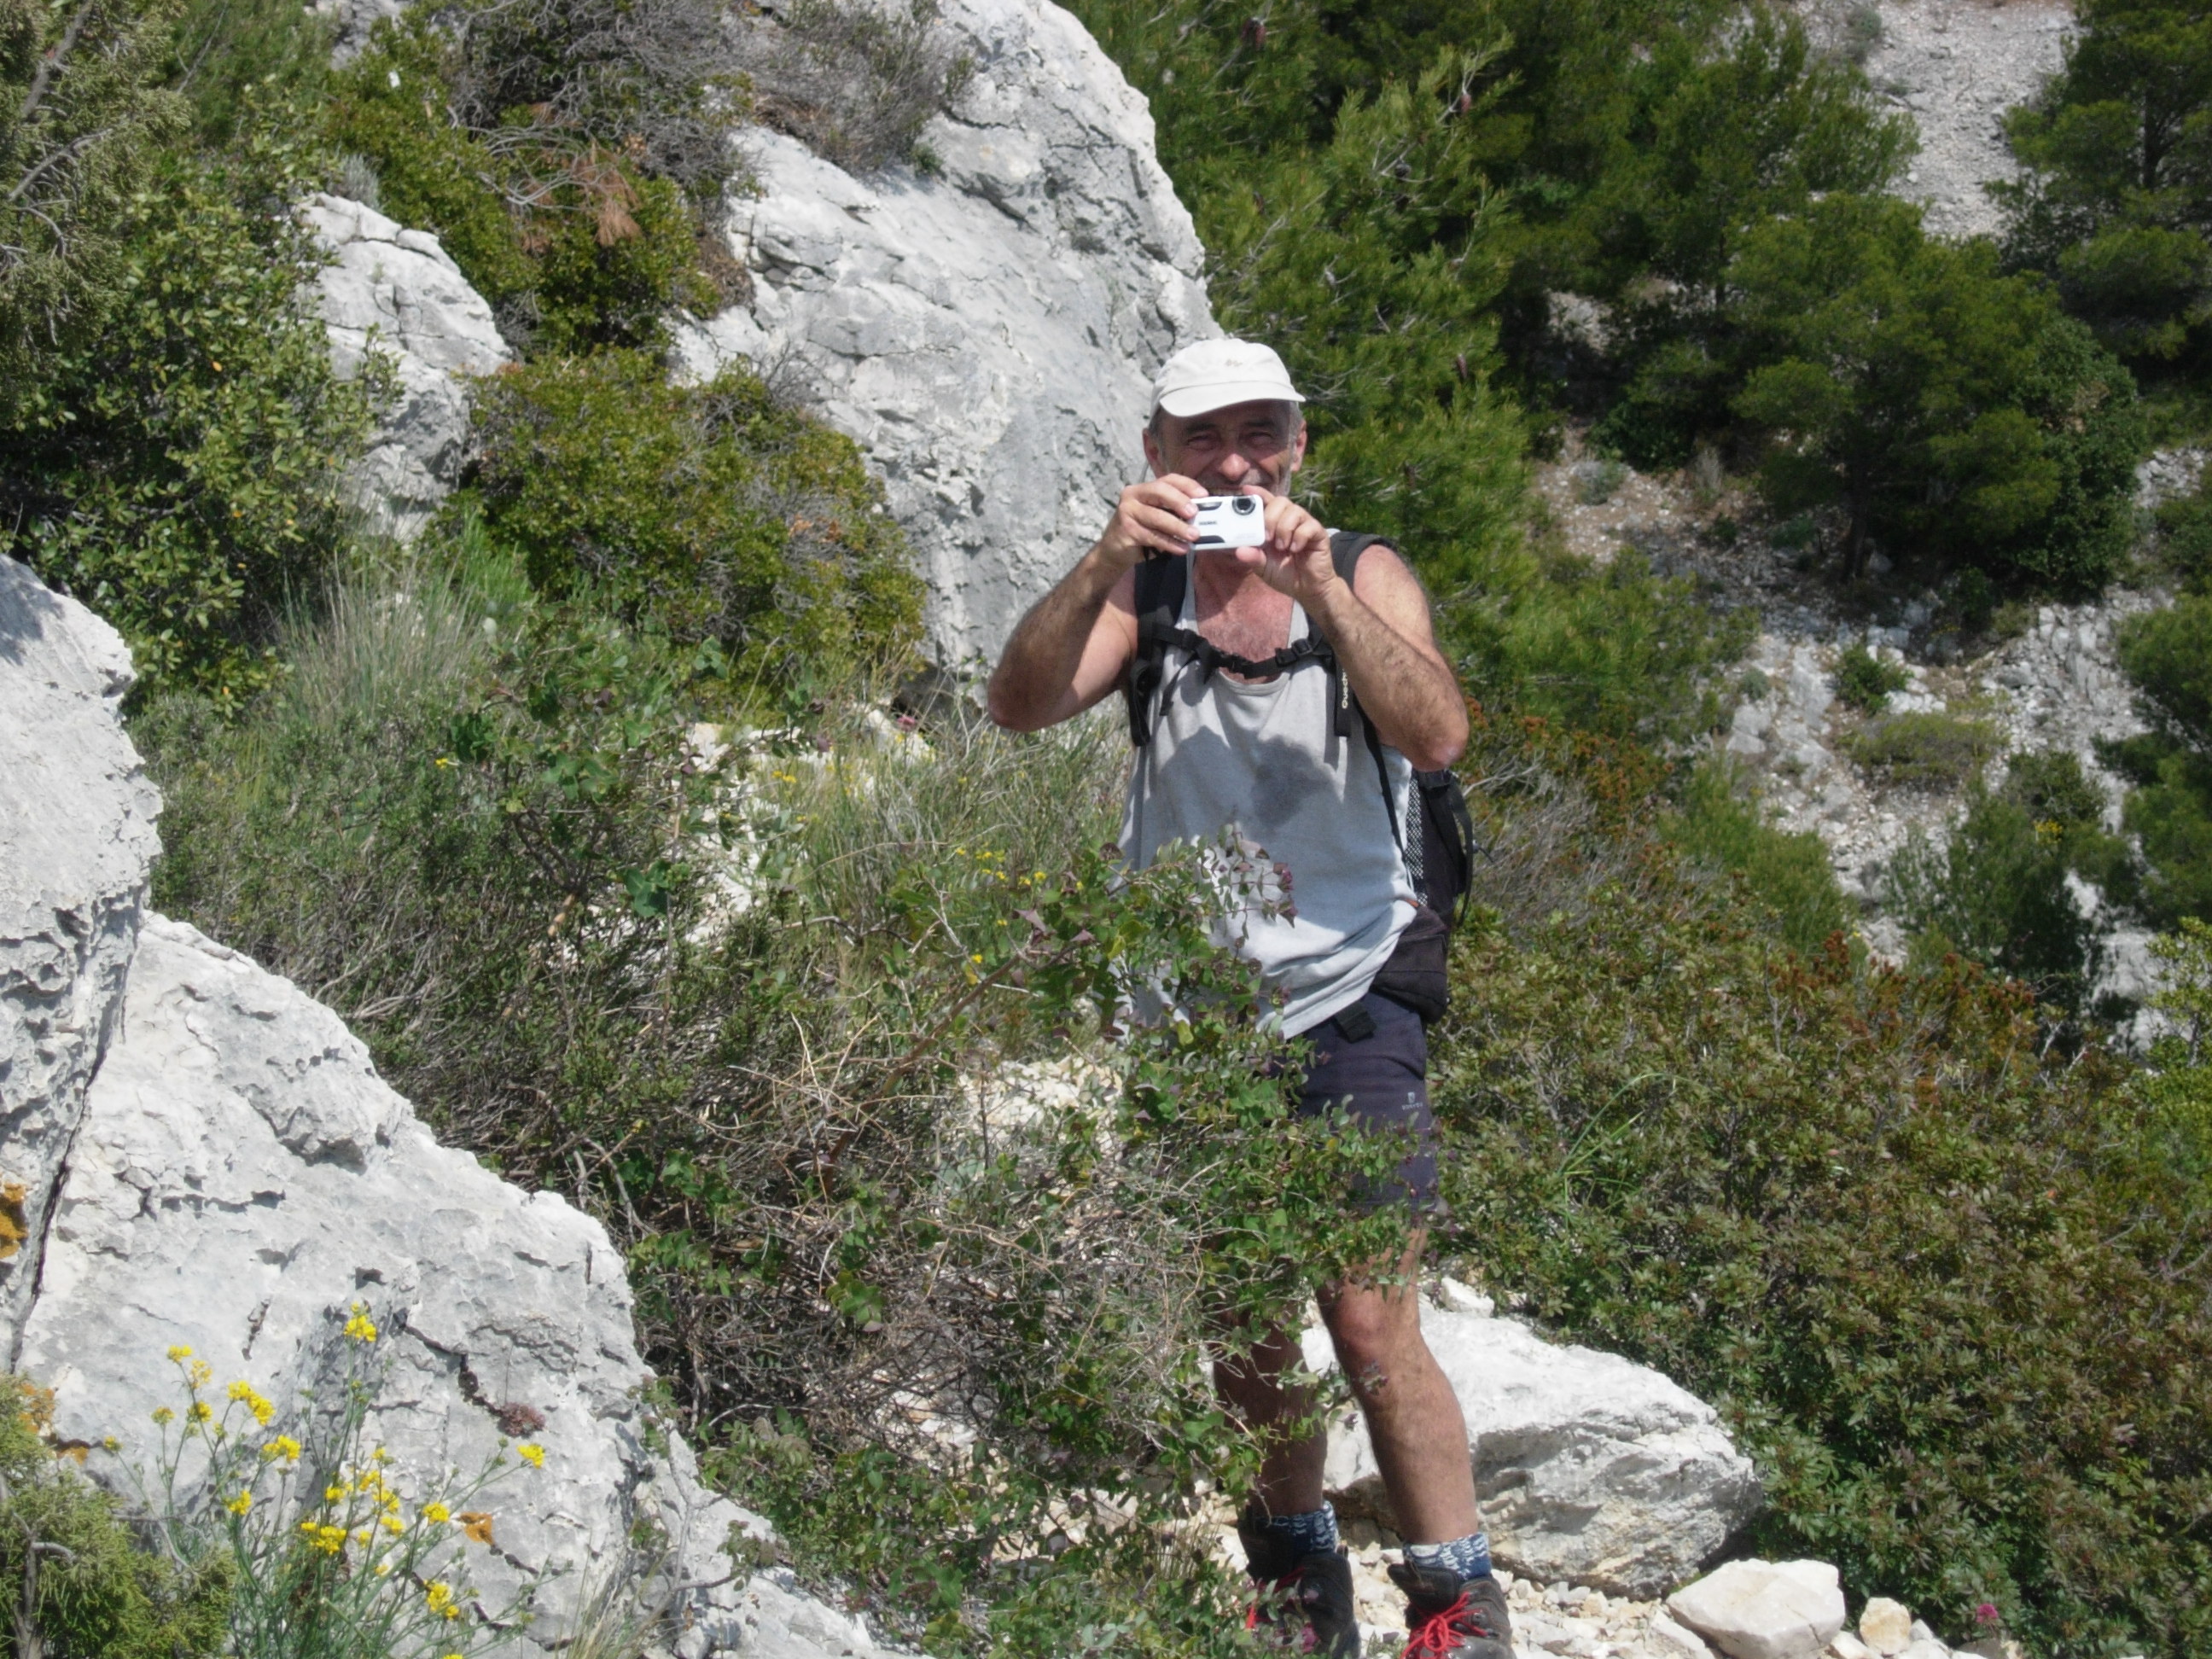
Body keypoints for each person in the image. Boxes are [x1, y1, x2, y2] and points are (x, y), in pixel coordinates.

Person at [984, 339, 1512, 1659]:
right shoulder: (1145, 586)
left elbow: (1437, 732)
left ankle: (1458, 1605)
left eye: (1260, 434)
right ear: (1157, 451)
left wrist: (1318, 587)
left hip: (1354, 982)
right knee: (1242, 1321)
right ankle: (1296, 1584)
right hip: (1193, 1013)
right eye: (1204, 439)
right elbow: (1019, 706)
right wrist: (1104, 560)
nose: (1235, 465)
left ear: (1297, 445)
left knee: (1371, 1319)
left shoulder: (1363, 569)